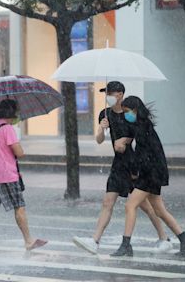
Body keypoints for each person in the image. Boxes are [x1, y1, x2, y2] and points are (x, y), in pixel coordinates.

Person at [73, 82, 172, 255]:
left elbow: (139, 134)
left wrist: (124, 140)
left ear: (120, 94)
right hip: (118, 164)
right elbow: (98, 140)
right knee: (107, 202)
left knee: (146, 206)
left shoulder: (130, 114)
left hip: (134, 164)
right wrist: (101, 129)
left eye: (111, 93)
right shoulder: (105, 114)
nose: (108, 97)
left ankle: (164, 237)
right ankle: (95, 240)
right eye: (107, 94)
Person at [111, 96, 185, 257]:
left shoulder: (142, 128)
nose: (126, 115)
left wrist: (134, 170)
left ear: (135, 110)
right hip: (154, 172)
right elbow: (136, 142)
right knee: (159, 210)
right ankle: (184, 239)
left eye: (127, 112)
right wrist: (123, 139)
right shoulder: (142, 125)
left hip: (150, 173)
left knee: (130, 206)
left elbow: (143, 154)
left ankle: (126, 245)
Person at [0, 99, 47, 253]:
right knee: (19, 207)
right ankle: (28, 241)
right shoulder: (8, 129)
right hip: (7, 175)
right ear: (12, 113)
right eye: (17, 112)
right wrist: (19, 145)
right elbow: (19, 153)